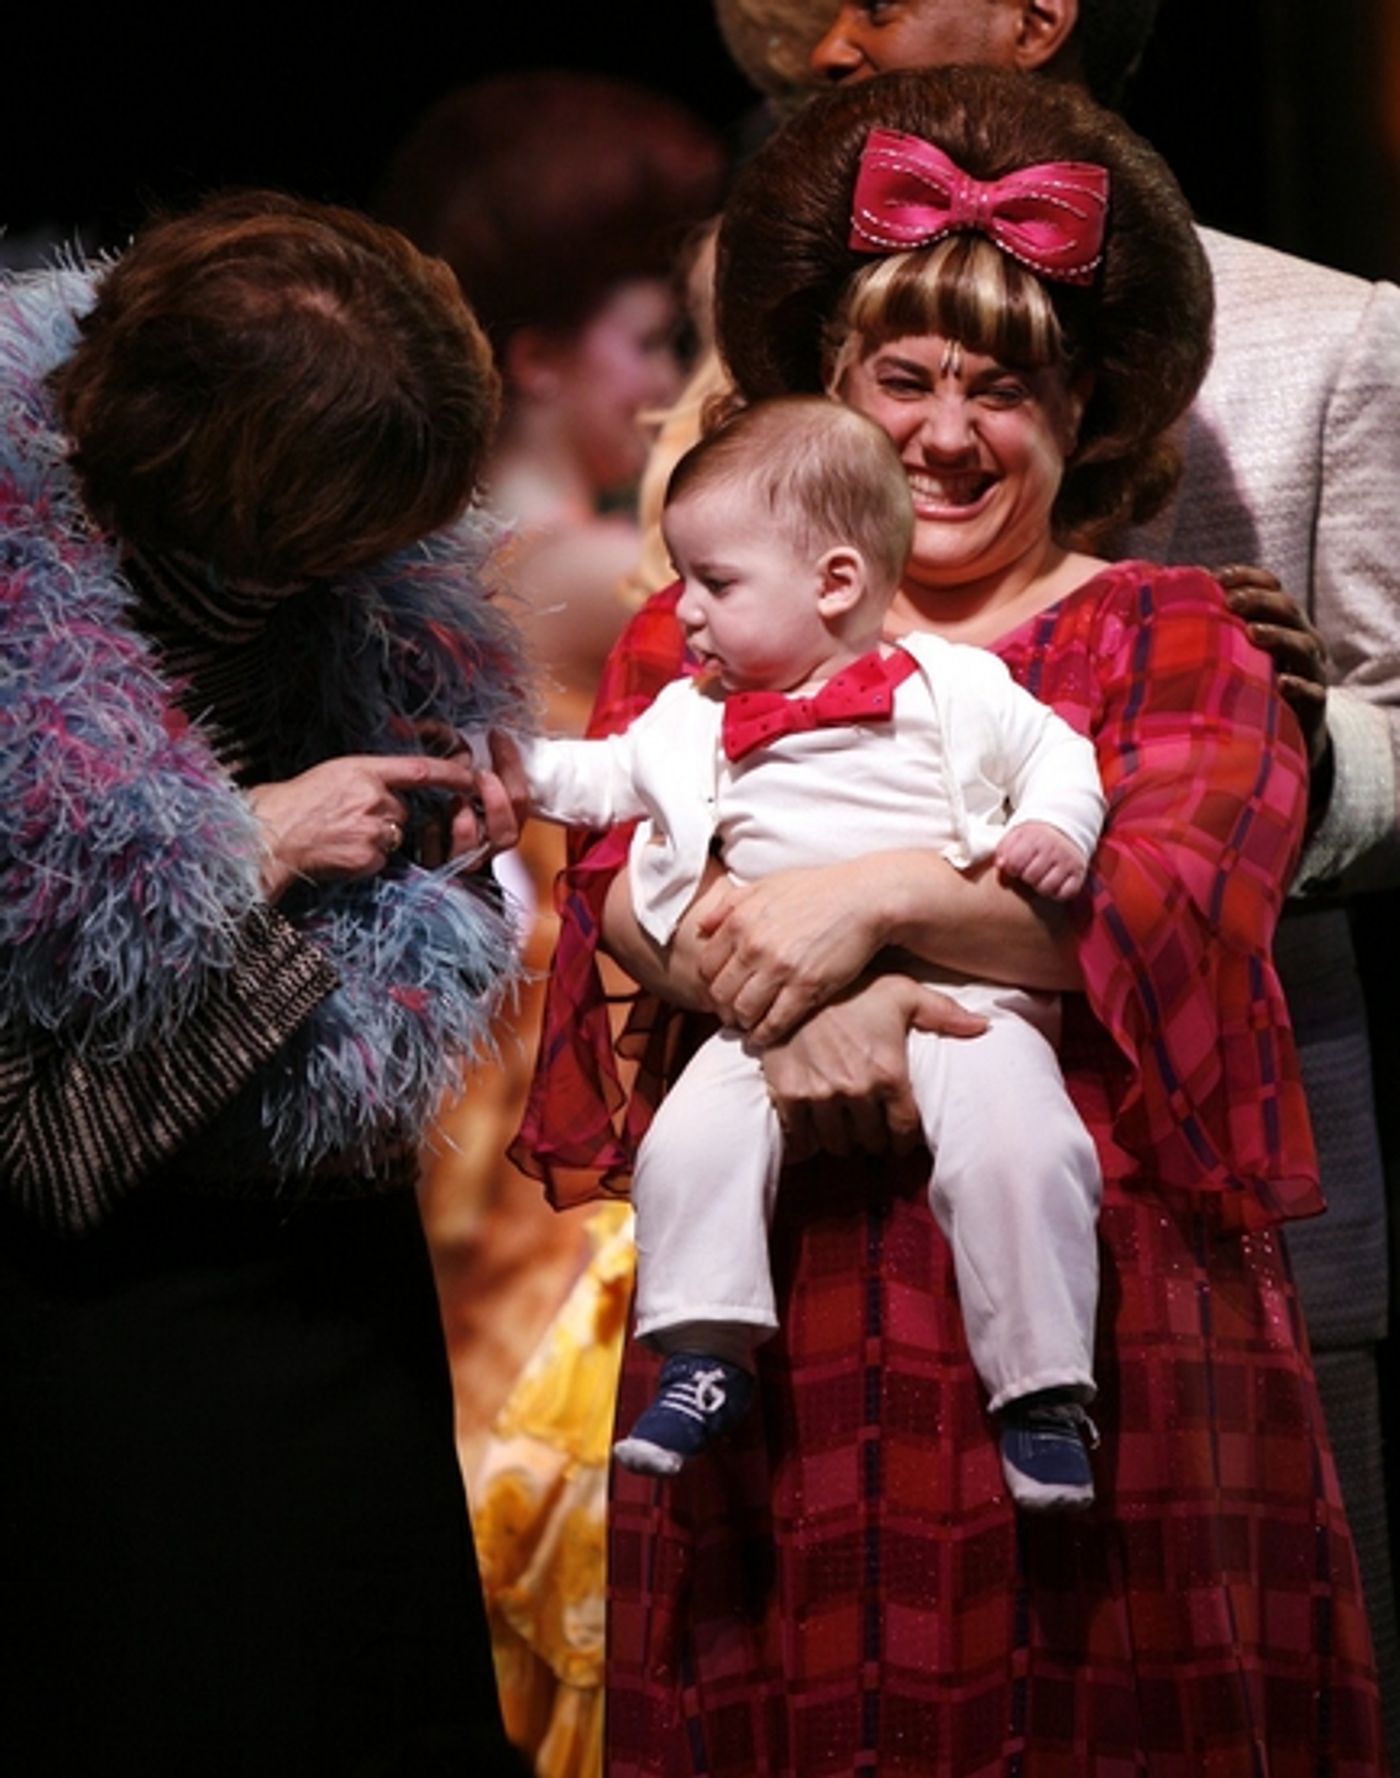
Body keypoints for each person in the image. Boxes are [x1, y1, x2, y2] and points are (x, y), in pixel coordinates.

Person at [514, 66, 1386, 1771]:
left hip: (1114, 1309)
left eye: (1006, 386)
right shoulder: (697, 639)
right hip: (776, 1300)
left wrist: (876, 902)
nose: (948, 433)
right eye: (903, 379)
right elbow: (618, 886)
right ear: (829, 398)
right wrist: (801, 996)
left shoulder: (1176, 634)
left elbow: (1167, 906)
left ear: (1087, 407)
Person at [0, 192, 534, 1776]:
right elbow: (38, 1140)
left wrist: (431, 874)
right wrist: (261, 846)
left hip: (327, 1287)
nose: (371, 561)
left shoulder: (355, 608)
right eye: (343, 531)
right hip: (100, 1335)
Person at [519, 396, 1106, 1505]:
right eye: (682, 580)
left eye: (715, 583)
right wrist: (509, 766)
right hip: (772, 1010)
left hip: (966, 994)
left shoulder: (954, 684)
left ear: (835, 583)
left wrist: (1055, 829)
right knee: (685, 1147)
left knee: (1025, 1146)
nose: (685, 610)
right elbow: (596, 778)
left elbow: (1060, 759)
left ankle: (1041, 1389)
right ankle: (705, 1353)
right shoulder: (691, 716)